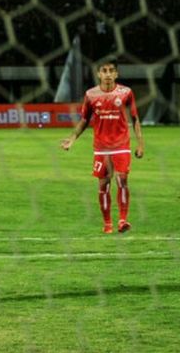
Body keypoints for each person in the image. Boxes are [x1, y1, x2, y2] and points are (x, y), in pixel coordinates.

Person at [61, 59, 144, 233]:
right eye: (104, 71)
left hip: (122, 145)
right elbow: (84, 120)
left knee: (122, 180)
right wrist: (72, 138)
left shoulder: (126, 93)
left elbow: (135, 118)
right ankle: (107, 224)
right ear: (98, 74)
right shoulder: (91, 95)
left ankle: (123, 220)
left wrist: (140, 143)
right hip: (101, 147)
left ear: (116, 74)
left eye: (111, 71)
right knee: (103, 185)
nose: (107, 74)